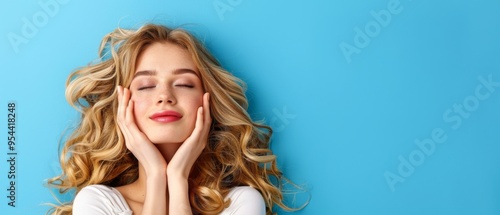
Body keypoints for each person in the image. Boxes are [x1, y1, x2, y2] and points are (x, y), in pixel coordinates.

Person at [48, 23, 300, 215]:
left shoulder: (240, 203)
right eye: (146, 86)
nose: (165, 96)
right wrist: (157, 175)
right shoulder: (96, 203)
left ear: (208, 100)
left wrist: (177, 180)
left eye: (183, 84)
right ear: (122, 105)